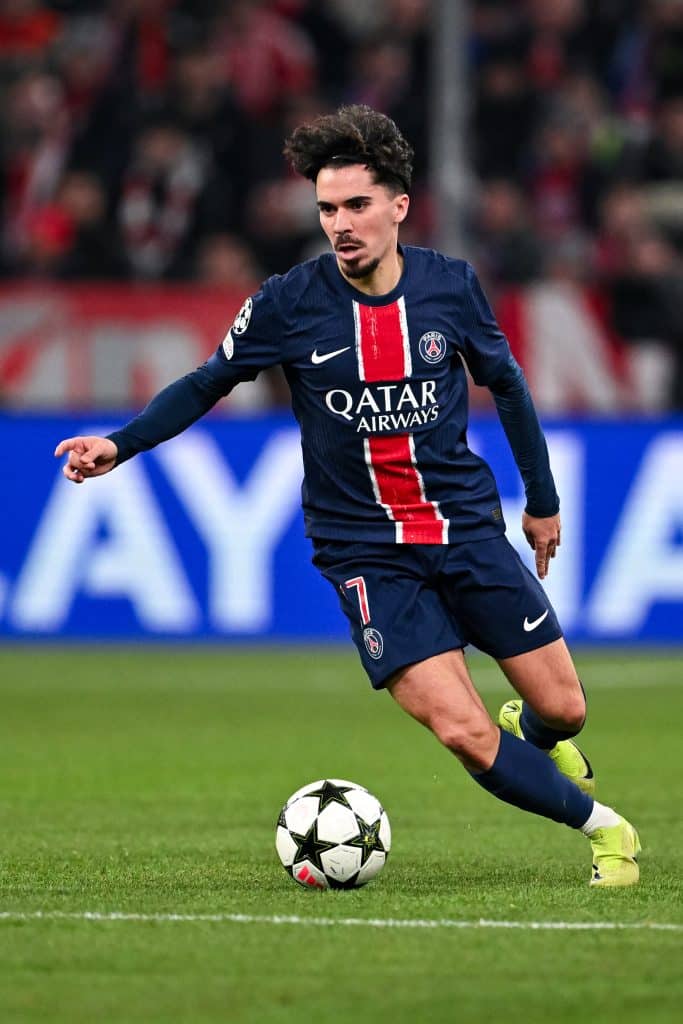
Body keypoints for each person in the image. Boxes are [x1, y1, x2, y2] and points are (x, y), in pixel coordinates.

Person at [54, 104, 640, 887]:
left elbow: (506, 384)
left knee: (563, 711)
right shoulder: (286, 303)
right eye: (327, 208)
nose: (341, 224)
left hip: (463, 528)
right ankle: (607, 833)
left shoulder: (449, 288)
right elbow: (206, 382)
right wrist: (120, 443)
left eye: (357, 205)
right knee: (460, 729)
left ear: (399, 205)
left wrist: (540, 500)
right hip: (365, 552)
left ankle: (532, 728)